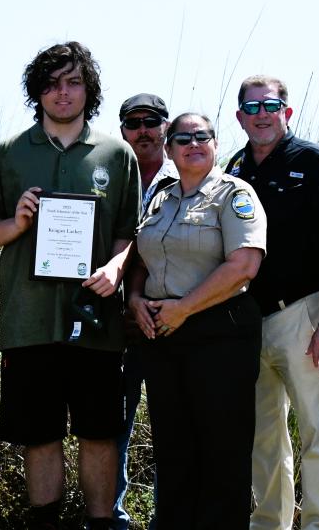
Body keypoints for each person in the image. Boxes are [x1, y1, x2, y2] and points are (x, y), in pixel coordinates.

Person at [0, 41, 141, 530]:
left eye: (72, 82)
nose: (62, 93)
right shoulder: (7, 154)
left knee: (99, 433)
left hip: (96, 322)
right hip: (30, 321)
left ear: (89, 88)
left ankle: (102, 524)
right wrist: (17, 223)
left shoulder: (117, 153)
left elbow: (130, 233)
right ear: (37, 92)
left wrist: (117, 268)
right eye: (51, 84)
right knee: (40, 435)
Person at [226, 75, 319, 530]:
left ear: (288, 111)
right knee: (264, 439)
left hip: (304, 316)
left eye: (271, 105)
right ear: (240, 117)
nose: (262, 115)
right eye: (253, 108)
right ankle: (270, 525)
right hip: (247, 321)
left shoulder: (318, 162)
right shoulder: (235, 169)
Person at [125, 113, 266, 528]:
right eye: (182, 138)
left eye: (202, 136)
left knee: (221, 453)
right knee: (173, 450)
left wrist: (184, 307)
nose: (193, 143)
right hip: (163, 336)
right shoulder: (160, 198)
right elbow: (142, 255)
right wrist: (134, 298)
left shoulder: (234, 194)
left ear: (216, 144)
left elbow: (244, 265)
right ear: (168, 150)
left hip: (219, 333)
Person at [112, 93, 178, 530]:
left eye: (150, 121)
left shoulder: (191, 175)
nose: (142, 131)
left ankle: (167, 518)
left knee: (171, 426)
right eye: (132, 123)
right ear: (122, 132)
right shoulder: (111, 176)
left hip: (171, 322)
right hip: (116, 322)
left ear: (165, 126)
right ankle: (111, 516)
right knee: (113, 423)